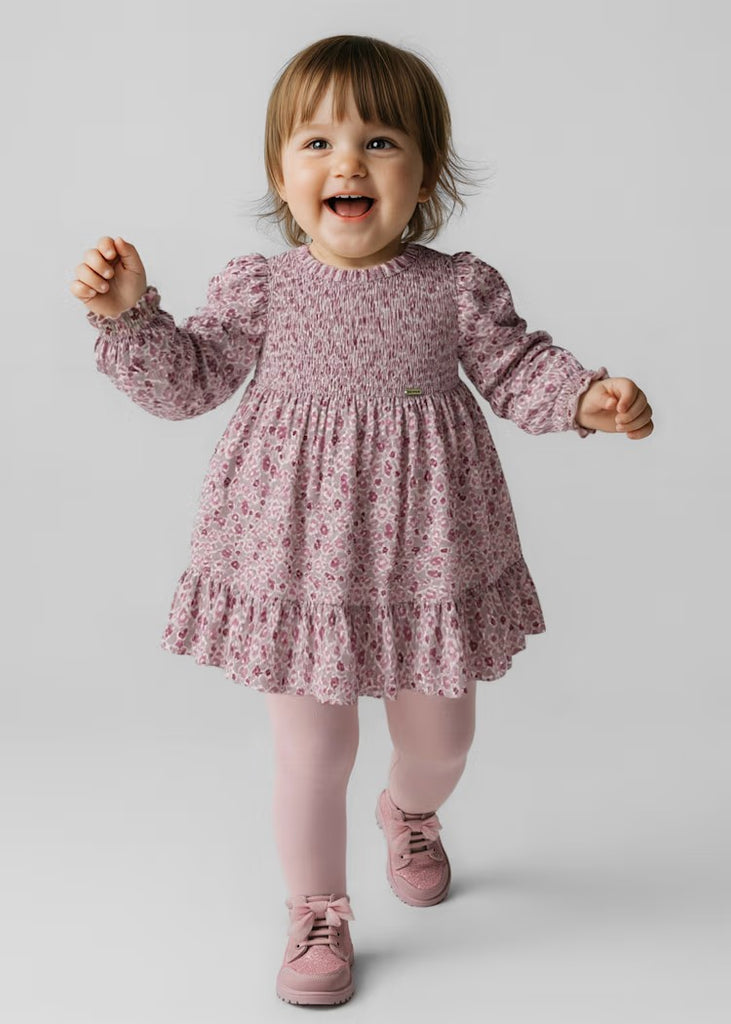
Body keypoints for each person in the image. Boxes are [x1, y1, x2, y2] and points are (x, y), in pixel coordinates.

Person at [71, 34, 654, 1008]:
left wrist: (584, 399)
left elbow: (516, 367)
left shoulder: (454, 286)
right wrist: (131, 316)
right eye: (317, 143)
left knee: (442, 738)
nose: (347, 162)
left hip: (426, 553)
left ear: (424, 173)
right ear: (280, 174)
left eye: (379, 141)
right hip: (294, 557)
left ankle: (409, 813)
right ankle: (316, 909)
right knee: (312, 751)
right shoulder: (262, 289)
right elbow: (187, 383)